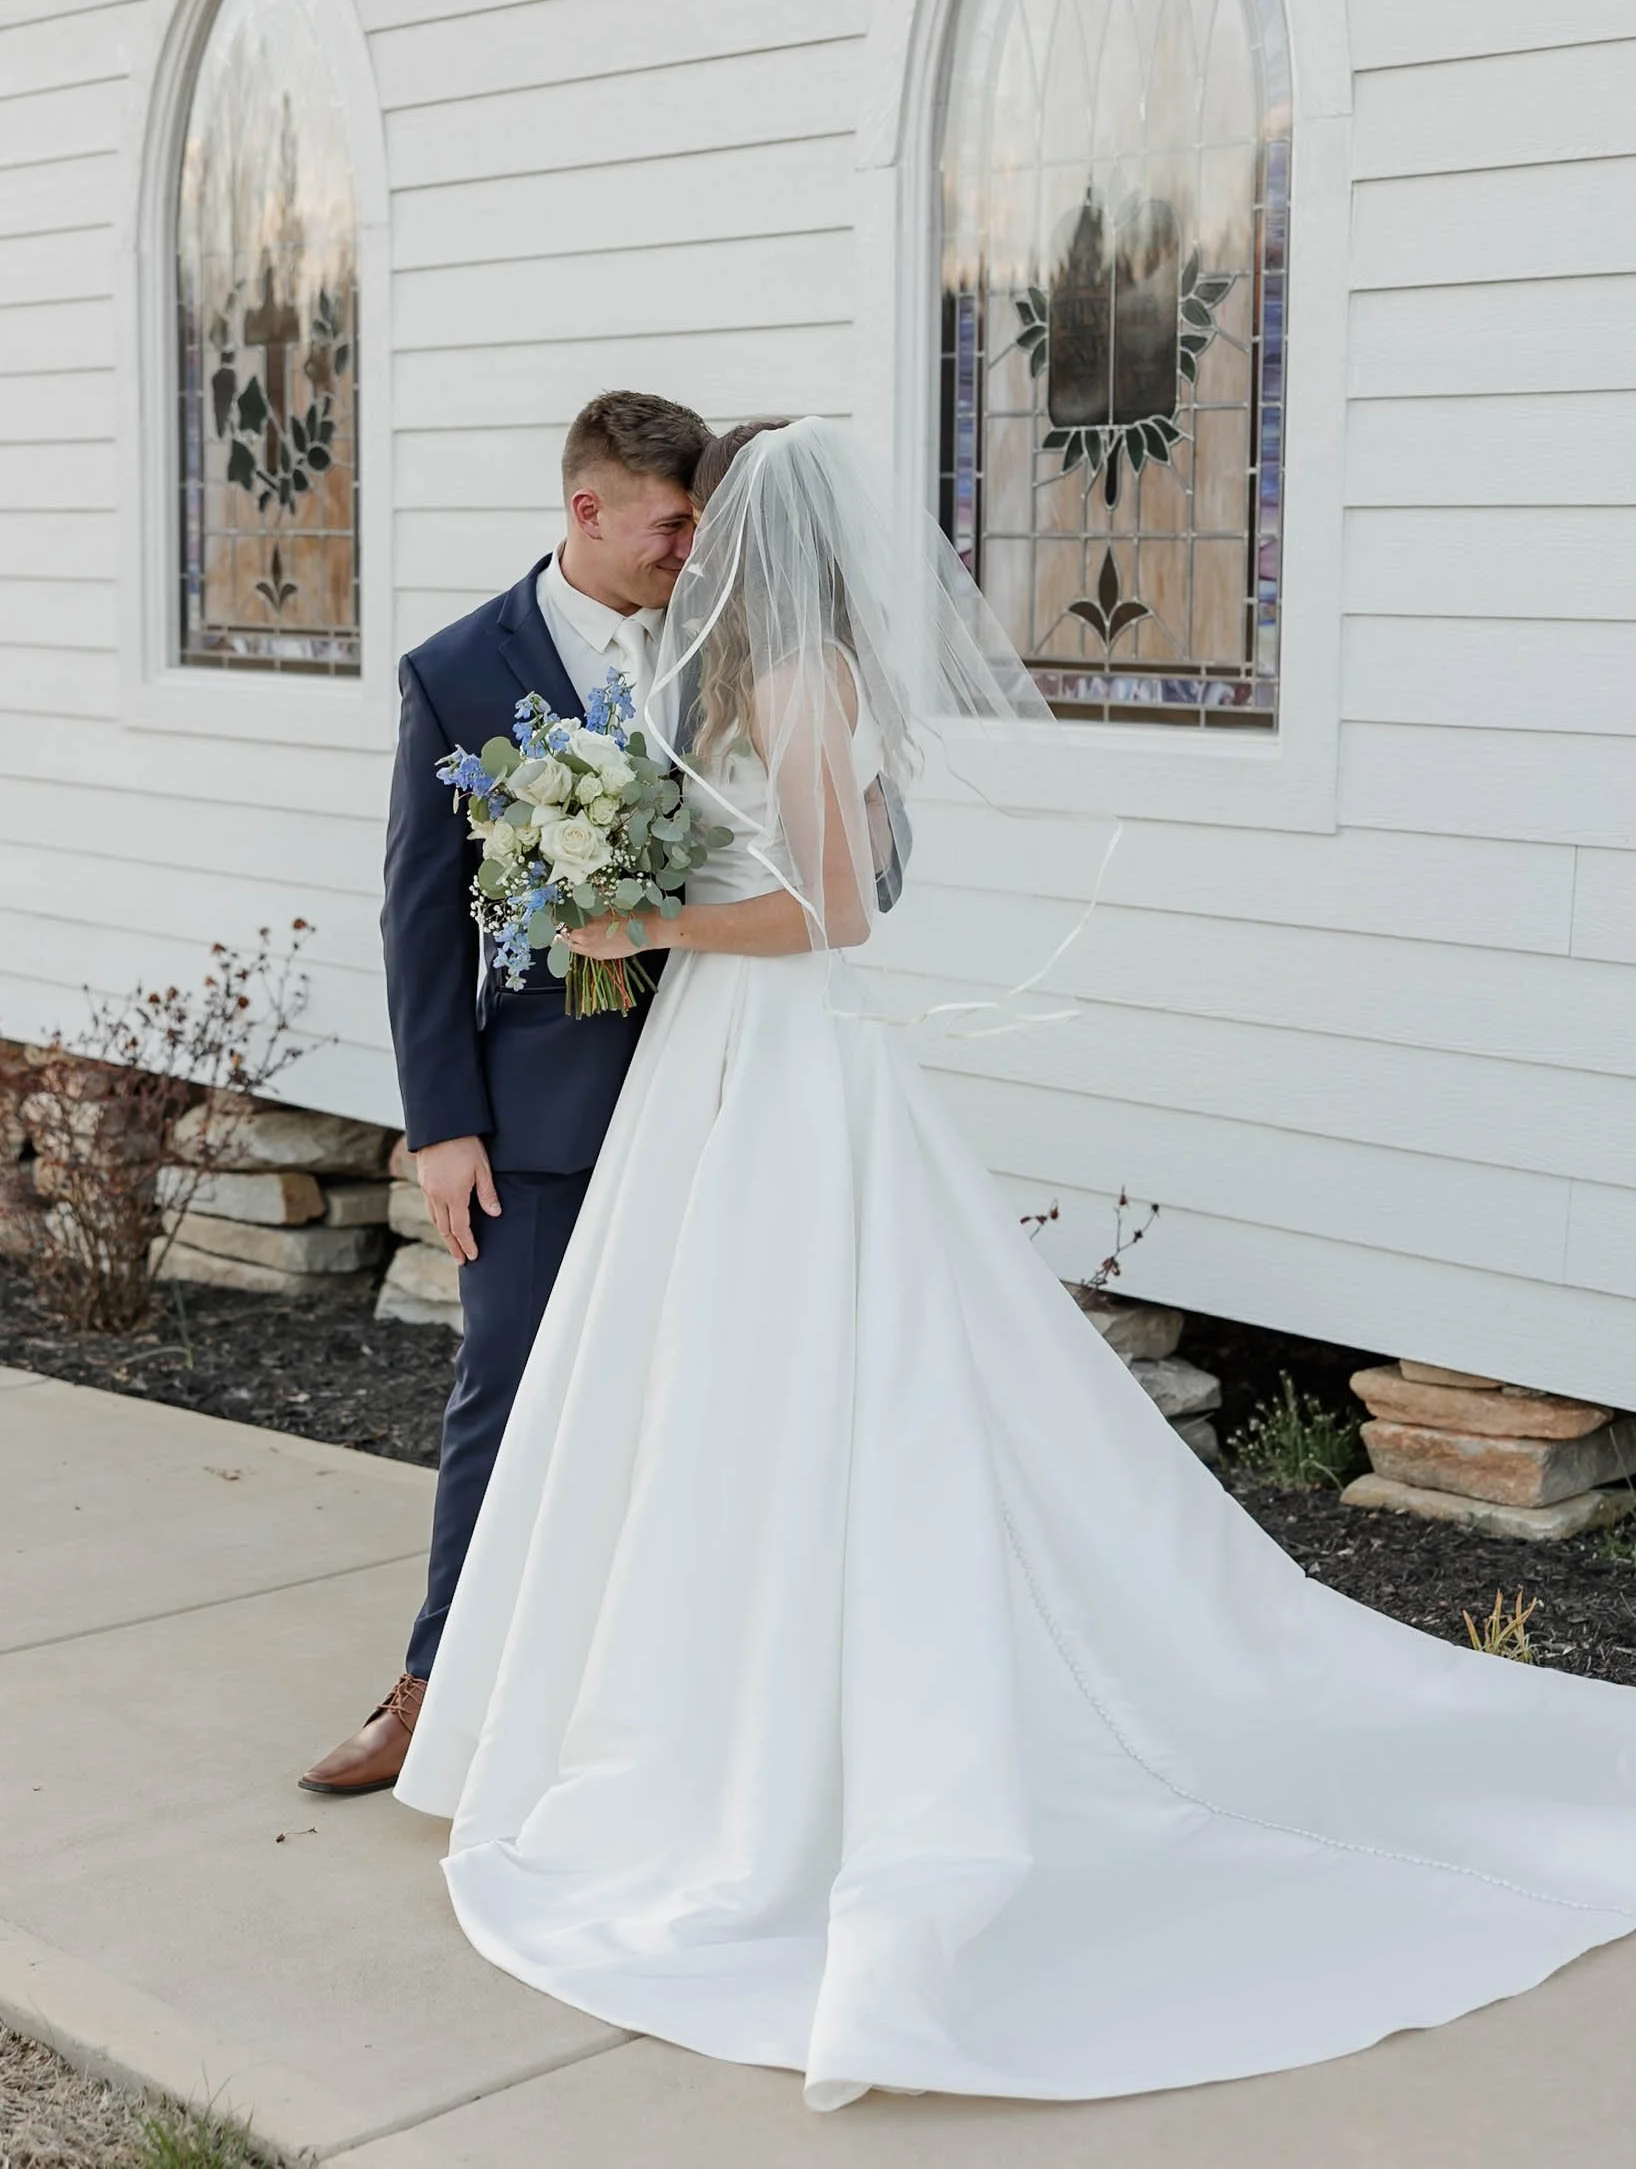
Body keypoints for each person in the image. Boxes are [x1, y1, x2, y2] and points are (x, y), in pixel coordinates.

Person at [396, 420, 1636, 2110]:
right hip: (715, 1067)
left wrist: (644, 924)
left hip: (777, 1054)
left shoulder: (800, 680)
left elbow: (840, 906)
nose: (696, 557)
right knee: (716, 1394)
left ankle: (786, 1752)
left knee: (811, 1379)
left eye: (718, 528)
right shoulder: (732, 678)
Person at [300, 389, 709, 1797]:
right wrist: (444, 1123)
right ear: (588, 510)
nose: (687, 548)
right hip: (537, 1107)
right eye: (669, 523)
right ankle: (434, 1692)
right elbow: (421, 917)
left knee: (697, 1406)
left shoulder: (726, 643)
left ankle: (648, 1706)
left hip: (723, 1078)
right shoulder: (459, 668)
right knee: (510, 1391)